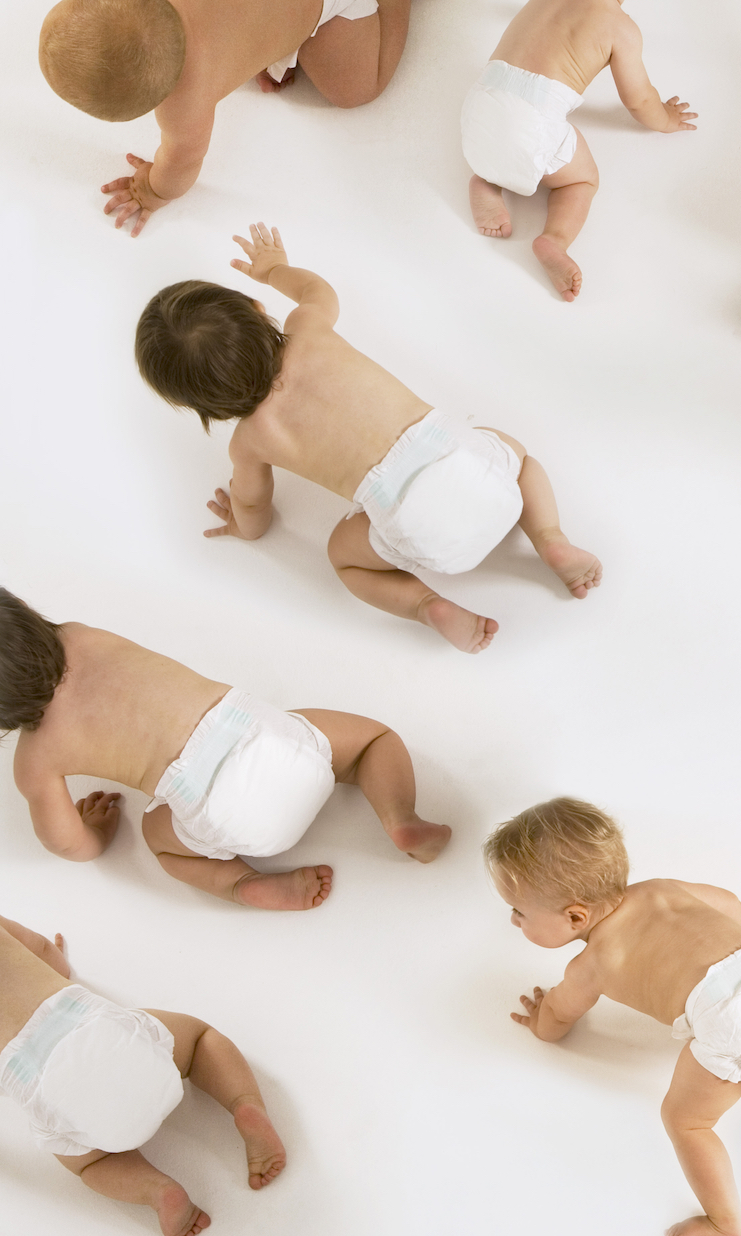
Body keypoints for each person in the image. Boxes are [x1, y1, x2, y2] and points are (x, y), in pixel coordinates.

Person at [134, 225, 600, 653]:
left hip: (426, 535)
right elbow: (318, 291)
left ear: (202, 408)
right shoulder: (307, 329)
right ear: (258, 311)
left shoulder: (250, 442)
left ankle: (427, 605)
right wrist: (274, 269)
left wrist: (240, 523)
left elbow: (255, 513)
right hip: (473, 469)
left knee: (344, 559)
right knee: (517, 455)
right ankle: (550, 538)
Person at [488, 798, 741, 1236]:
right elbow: (730, 902)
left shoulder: (590, 965)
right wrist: (738, 958)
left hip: (733, 1022)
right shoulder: (660, 889)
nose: (515, 921)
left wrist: (539, 1021)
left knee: (686, 1121)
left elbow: (556, 1020)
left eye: (519, 911)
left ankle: (724, 1223)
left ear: (576, 916)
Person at [40, 0, 453, 235]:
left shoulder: (185, 102)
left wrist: (152, 189)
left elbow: (181, 164)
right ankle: (275, 43)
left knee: (357, 88)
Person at [2, 587, 447, 910]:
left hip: (225, 815)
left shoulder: (36, 761)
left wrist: (96, 834)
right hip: (266, 740)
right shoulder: (80, 635)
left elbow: (66, 844)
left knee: (161, 840)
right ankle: (399, 816)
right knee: (373, 740)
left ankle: (242, 884)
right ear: (23, 610)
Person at [462, 0, 695, 301]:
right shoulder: (621, 29)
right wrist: (665, 119)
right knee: (582, 181)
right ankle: (554, 240)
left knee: (504, 143)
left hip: (479, 107)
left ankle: (485, 180)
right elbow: (639, 100)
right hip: (529, 127)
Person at [0, 916, 287, 1235]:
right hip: (83, 1018)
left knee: (90, 1164)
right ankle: (244, 1104)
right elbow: (43, 950)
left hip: (35, 1078)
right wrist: (51, 960)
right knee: (198, 1042)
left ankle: (158, 1191)